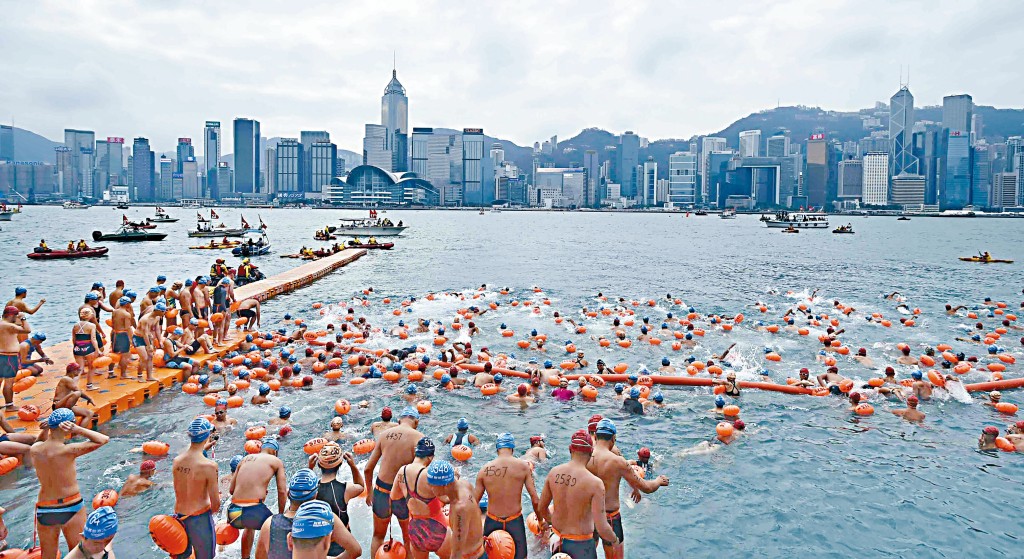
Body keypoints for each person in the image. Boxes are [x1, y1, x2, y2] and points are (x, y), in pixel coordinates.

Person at [32, 408, 110, 559]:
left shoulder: (36, 450)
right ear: (68, 426)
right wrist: (78, 429)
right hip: (71, 505)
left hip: (45, 508)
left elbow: (39, 441)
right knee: (79, 554)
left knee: (47, 556)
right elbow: (103, 439)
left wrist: (46, 429)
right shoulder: (69, 450)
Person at [589, 419, 669, 559]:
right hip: (610, 519)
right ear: (613, 438)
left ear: (595, 436)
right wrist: (658, 481)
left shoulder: (584, 457)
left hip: (588, 516)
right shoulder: (618, 462)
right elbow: (647, 488)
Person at [539, 430, 619, 558]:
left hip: (556, 540)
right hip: (581, 545)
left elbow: (542, 508)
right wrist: (614, 539)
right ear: (591, 452)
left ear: (570, 449)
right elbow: (602, 527)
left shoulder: (554, 473)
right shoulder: (595, 483)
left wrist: (553, 522)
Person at [363, 406, 423, 557]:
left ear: (398, 420)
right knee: (408, 539)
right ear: (416, 422)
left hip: (381, 492)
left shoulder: (384, 435)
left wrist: (369, 493)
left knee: (377, 536)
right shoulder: (419, 438)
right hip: (403, 495)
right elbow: (420, 473)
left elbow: (368, 469)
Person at [475, 433, 539, 559]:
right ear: (512, 448)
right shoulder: (523, 467)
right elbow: (535, 499)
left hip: (492, 522)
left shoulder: (484, 470)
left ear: (497, 448)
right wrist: (541, 522)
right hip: (515, 523)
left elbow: (472, 503)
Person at [390, 437, 450, 558]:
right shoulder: (429, 475)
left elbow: (394, 496)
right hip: (438, 528)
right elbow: (447, 498)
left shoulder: (402, 471)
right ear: (430, 457)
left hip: (416, 530)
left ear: (416, 453)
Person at [173, 418, 221, 559]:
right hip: (200, 520)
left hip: (180, 518)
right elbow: (216, 504)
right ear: (207, 436)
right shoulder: (210, 466)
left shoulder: (177, 461)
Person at [424, 459, 486, 559]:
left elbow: (457, 552)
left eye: (432, 485)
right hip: (479, 551)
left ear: (443, 485)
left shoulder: (460, 509)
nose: (430, 488)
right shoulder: (464, 485)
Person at [311, 442, 364, 537]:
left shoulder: (311, 491)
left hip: (320, 543)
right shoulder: (345, 489)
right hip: (343, 544)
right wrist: (352, 465)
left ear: (318, 464)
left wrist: (310, 468)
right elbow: (360, 486)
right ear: (340, 464)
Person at [70, 307, 100, 391]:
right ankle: (89, 385)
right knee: (92, 367)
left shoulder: (75, 325)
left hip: (77, 348)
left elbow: (74, 339)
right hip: (88, 348)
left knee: (79, 369)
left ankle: (73, 388)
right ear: (90, 315)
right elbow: (93, 339)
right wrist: (97, 350)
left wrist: (76, 347)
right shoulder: (91, 325)